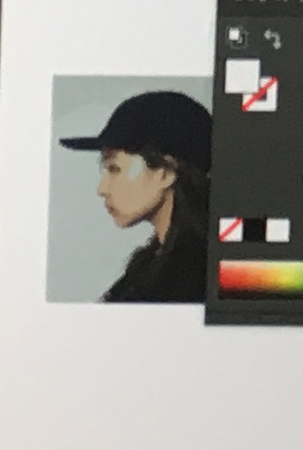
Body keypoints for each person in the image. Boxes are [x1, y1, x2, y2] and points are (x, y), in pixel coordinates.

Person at [78, 88, 212, 303]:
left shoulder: (193, 277)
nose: (102, 189)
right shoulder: (150, 264)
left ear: (165, 173)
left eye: (114, 169)